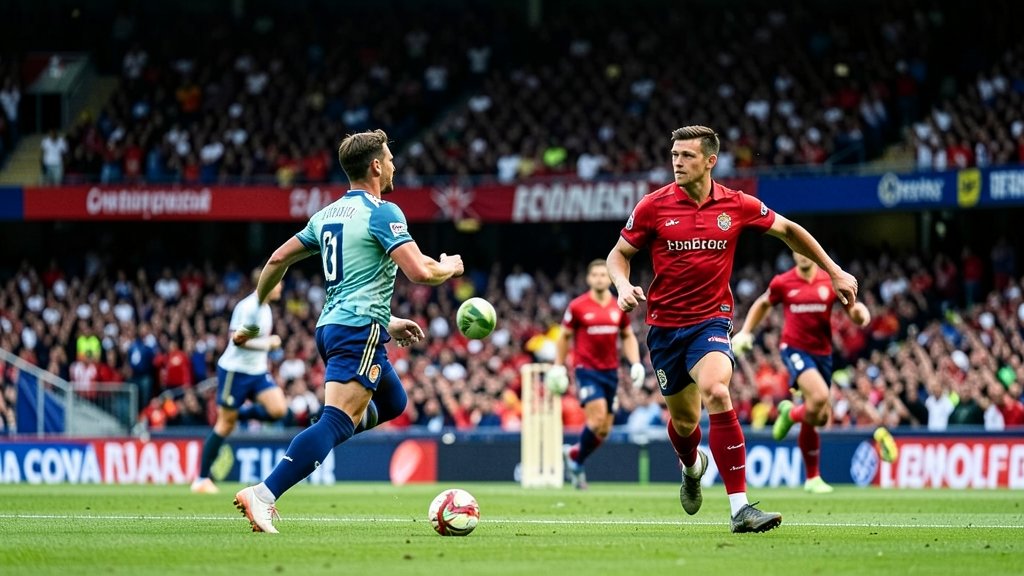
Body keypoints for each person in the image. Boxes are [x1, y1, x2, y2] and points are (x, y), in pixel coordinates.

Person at [606, 125, 858, 533]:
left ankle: (740, 508)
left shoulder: (736, 205)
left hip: (711, 321)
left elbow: (789, 231)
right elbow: (618, 255)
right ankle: (691, 467)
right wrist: (621, 285)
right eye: (674, 155)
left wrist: (834, 271)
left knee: (718, 391)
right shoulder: (653, 206)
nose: (677, 162)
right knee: (686, 423)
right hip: (665, 329)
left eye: (687, 156)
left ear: (710, 161)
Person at [232, 129, 463, 533]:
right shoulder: (383, 211)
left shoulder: (327, 216)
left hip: (337, 326)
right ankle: (264, 494)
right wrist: (450, 267)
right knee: (336, 422)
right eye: (389, 158)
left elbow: (277, 257)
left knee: (393, 400)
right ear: (375, 165)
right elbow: (421, 271)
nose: (393, 164)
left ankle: (318, 440)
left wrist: (259, 302)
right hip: (357, 331)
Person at [731, 251, 871, 494]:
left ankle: (811, 474)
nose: (803, 256)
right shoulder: (783, 282)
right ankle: (794, 418)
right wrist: (746, 332)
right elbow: (763, 303)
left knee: (818, 416)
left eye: (807, 252)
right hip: (794, 349)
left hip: (823, 354)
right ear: (794, 255)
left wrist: (859, 314)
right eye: (798, 252)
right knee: (818, 398)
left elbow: (852, 309)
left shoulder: (829, 280)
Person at [547, 258, 644, 489]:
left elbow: (628, 335)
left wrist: (636, 363)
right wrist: (558, 365)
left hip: (611, 371)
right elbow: (564, 337)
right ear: (589, 279)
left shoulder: (618, 306)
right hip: (586, 370)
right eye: (596, 275)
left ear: (609, 278)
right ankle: (576, 460)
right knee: (597, 418)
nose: (600, 278)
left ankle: (576, 457)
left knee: (604, 429)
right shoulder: (578, 306)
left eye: (604, 274)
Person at [190, 270, 288, 494]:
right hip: (235, 371)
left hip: (257, 372)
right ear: (267, 283)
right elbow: (236, 340)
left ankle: (237, 414)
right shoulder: (248, 308)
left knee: (278, 409)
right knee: (224, 425)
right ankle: (202, 479)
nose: (281, 287)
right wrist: (267, 344)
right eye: (278, 282)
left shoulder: (265, 309)